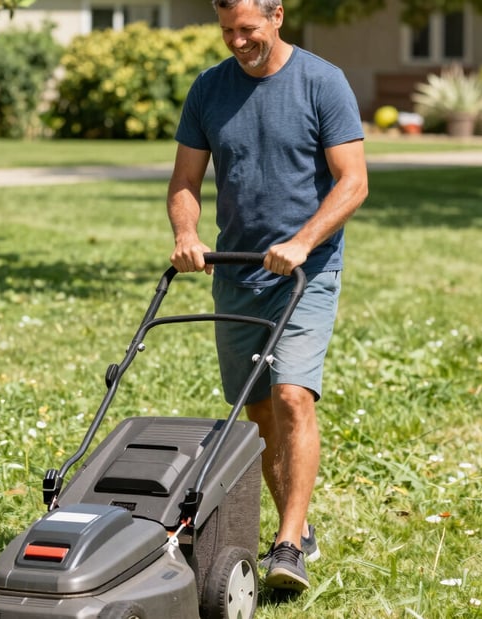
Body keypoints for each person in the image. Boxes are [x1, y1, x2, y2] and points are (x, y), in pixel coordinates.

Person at [166, 0, 368, 592]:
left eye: (247, 29)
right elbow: (184, 181)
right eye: (226, 30)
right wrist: (186, 233)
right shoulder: (209, 89)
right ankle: (297, 529)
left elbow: (353, 181)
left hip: (306, 272)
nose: (236, 41)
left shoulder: (321, 81)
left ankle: (287, 544)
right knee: (256, 417)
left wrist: (304, 242)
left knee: (292, 397)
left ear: (277, 16)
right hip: (237, 272)